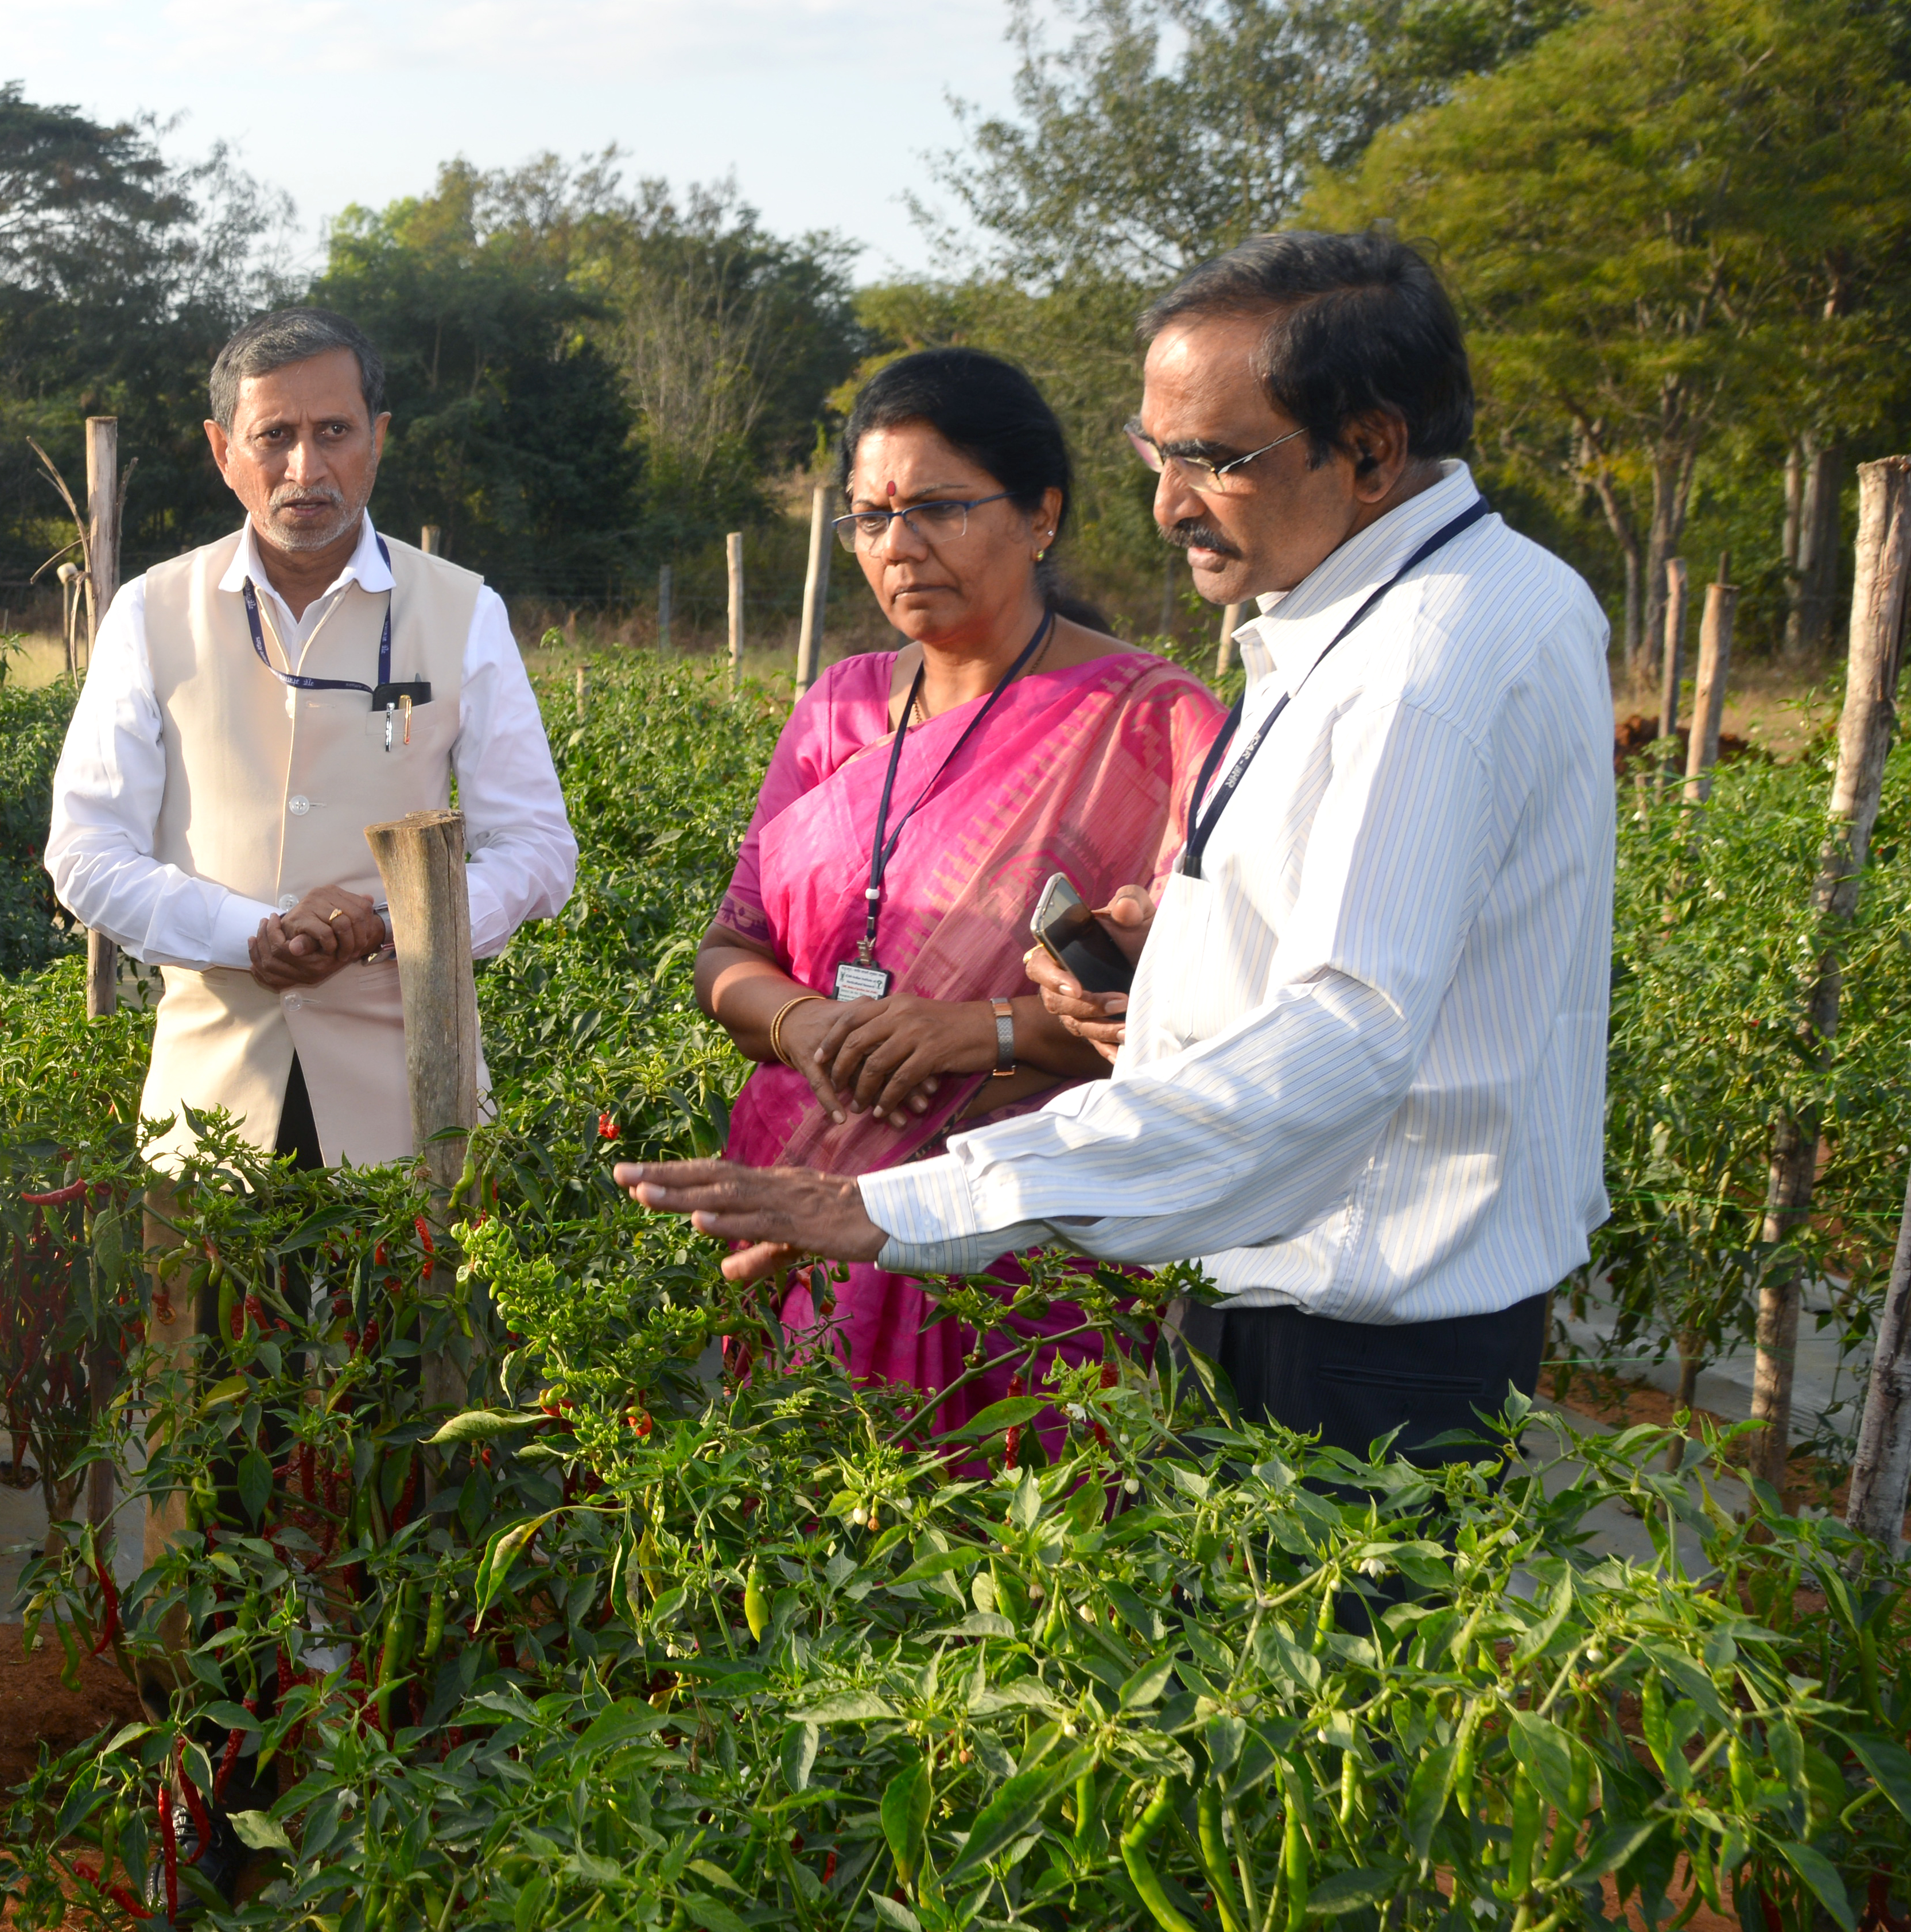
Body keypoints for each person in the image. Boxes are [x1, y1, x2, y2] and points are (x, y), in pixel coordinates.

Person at [622, 230, 1613, 1472]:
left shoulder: (1416, 664)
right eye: (1159, 454)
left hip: (1350, 1327)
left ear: (1368, 450)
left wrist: (907, 1193)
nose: (1167, 505)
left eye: (1212, 459)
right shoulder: (1401, 615)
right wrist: (1176, 957)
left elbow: (1341, 1032)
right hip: (1300, 1285)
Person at [686, 349, 1225, 1432]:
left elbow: (1199, 1020)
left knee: (997, 1524)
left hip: (1018, 1242)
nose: (898, 546)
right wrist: (806, 1024)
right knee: (794, 1503)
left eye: (937, 508)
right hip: (796, 1204)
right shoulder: (839, 708)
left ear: (1040, 515)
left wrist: (977, 1032)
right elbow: (728, 952)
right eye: (870, 517)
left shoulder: (1153, 724)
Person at [43, 305, 576, 1169]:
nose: (306, 468)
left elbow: (538, 848)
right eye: (274, 436)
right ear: (224, 451)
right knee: (207, 1264)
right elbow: (86, 852)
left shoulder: (463, 610)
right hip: (207, 1113)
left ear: (378, 438)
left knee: (407, 1263)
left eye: (334, 431)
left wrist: (391, 926)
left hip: (415, 1101)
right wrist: (248, 933)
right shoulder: (150, 611)